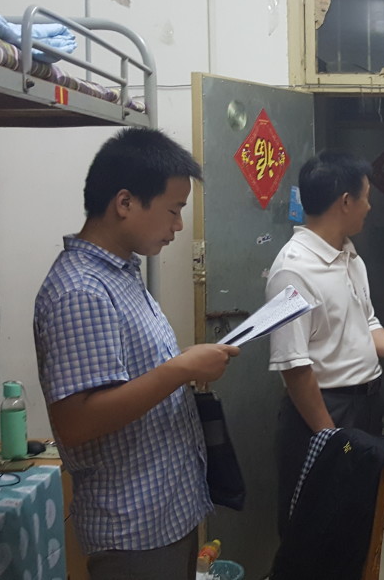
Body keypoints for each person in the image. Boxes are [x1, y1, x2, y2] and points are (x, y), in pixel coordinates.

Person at [33, 128, 240, 580]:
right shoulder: (81, 290)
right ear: (125, 202)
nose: (178, 225)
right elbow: (76, 422)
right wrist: (181, 368)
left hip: (165, 512)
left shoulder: (121, 273)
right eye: (173, 210)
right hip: (133, 528)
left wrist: (185, 365)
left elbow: (131, 378)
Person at [266, 150, 384, 579]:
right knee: (316, 535)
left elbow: (366, 323)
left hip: (364, 406)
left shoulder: (350, 256)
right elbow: (294, 367)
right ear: (345, 201)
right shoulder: (292, 271)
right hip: (325, 413)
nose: (370, 207)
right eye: (366, 197)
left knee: (357, 525)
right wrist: (331, 438)